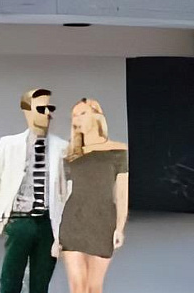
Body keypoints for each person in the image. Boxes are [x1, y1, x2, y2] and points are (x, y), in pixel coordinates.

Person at [0, 87, 69, 293]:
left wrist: (64, 230)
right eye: (41, 108)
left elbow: (68, 191)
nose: (48, 113)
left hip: (47, 224)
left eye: (50, 108)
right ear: (27, 111)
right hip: (19, 222)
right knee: (10, 279)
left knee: (41, 281)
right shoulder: (9, 145)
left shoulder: (62, 147)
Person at [55, 98, 129, 293]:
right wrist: (54, 233)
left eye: (82, 113)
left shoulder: (118, 151)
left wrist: (119, 227)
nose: (77, 119)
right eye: (74, 115)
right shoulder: (69, 154)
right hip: (73, 223)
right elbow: (60, 195)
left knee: (94, 286)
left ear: (97, 115)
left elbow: (122, 194)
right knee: (77, 286)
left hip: (103, 222)